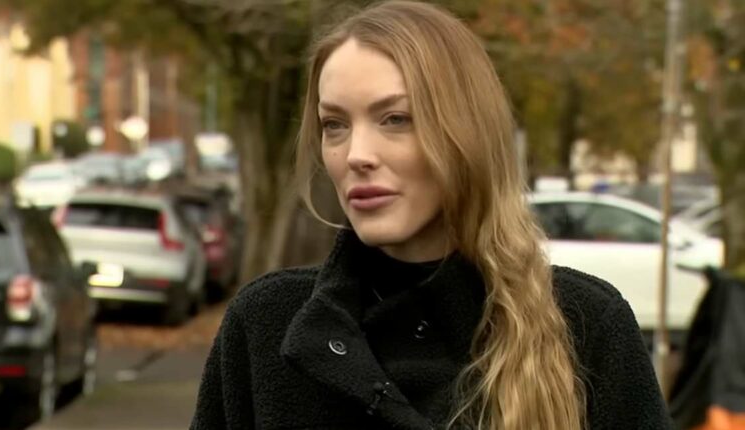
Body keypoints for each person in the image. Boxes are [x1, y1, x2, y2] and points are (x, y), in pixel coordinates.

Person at [190, 1, 671, 429]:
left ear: (467, 134)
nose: (356, 153)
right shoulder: (266, 326)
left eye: (395, 119)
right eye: (334, 125)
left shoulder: (586, 326)